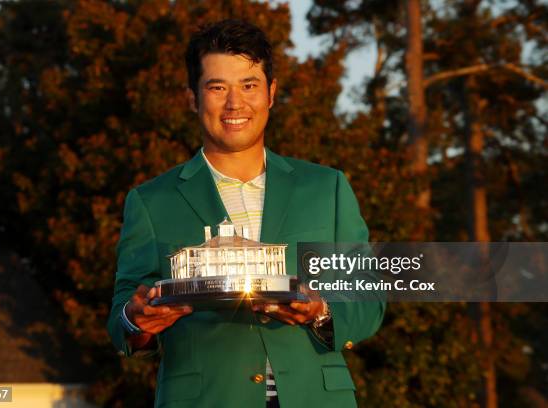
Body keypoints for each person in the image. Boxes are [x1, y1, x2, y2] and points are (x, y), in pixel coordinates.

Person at [107, 19, 385, 408]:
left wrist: (321, 311)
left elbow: (368, 299)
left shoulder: (327, 188)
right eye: (217, 87)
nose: (235, 103)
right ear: (193, 98)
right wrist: (137, 323)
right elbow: (122, 318)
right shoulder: (151, 200)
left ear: (271, 93)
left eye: (249, 85)